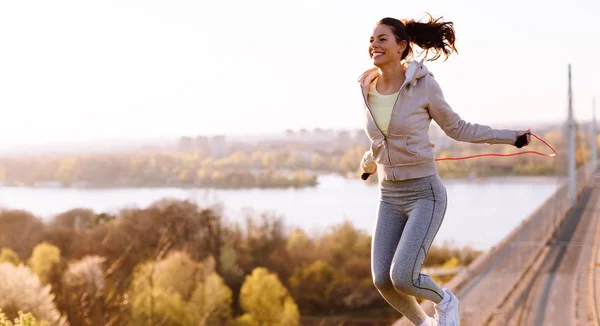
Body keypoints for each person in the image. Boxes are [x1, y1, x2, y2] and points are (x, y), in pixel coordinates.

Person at [358, 15, 531, 326]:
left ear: (401, 47)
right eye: (372, 40)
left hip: (425, 194)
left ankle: (446, 302)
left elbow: (458, 128)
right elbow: (380, 139)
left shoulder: (424, 86)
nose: (374, 45)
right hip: (389, 196)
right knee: (382, 280)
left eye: (382, 39)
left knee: (403, 275)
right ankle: (425, 324)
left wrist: (511, 137)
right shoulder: (366, 87)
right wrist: (369, 162)